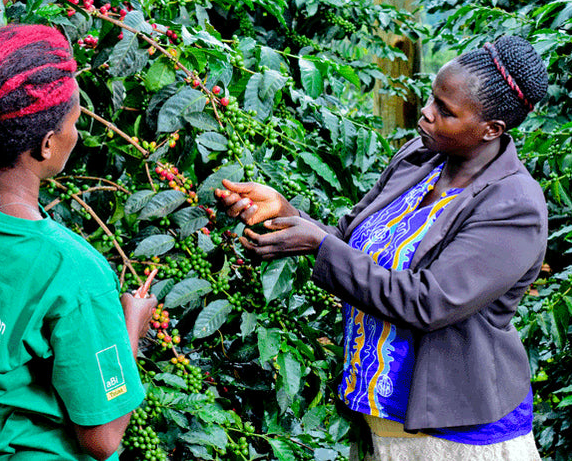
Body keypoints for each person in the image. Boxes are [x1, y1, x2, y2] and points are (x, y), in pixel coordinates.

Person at [216, 35, 548, 460]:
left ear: (492, 130)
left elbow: (428, 302)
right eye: (432, 98)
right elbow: (353, 241)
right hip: (381, 414)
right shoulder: (420, 157)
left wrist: (318, 245)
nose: (426, 114)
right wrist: (286, 213)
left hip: (454, 433)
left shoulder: (513, 204)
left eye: (445, 111)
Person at [0, 0, 156, 460]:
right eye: (74, 124)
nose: (77, 136)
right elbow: (102, 438)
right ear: (46, 145)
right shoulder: (75, 274)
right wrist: (129, 332)